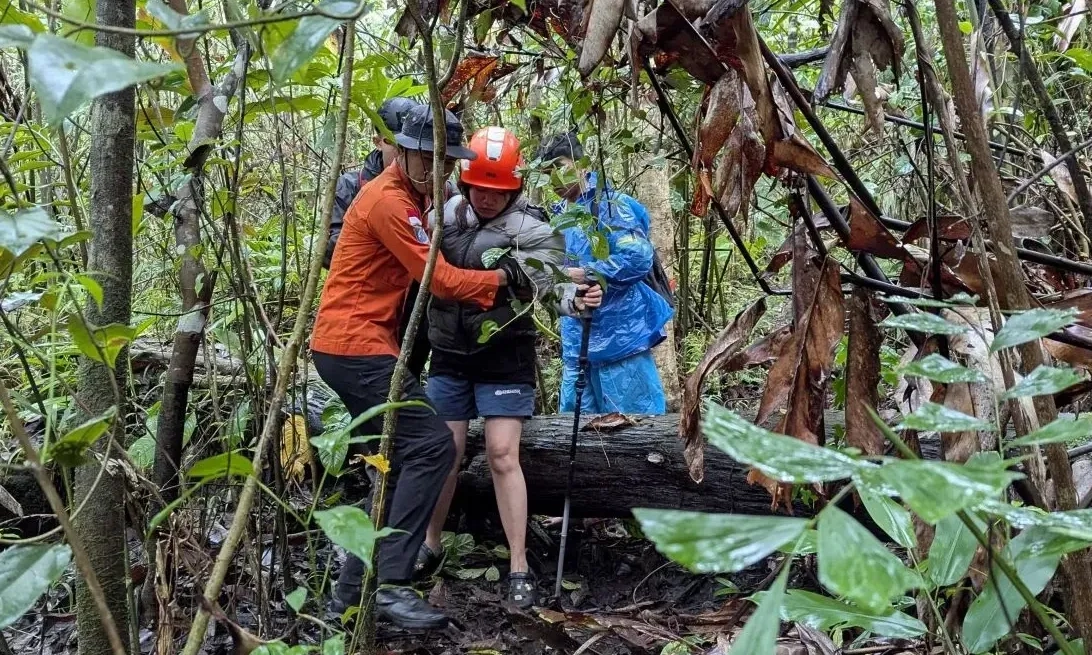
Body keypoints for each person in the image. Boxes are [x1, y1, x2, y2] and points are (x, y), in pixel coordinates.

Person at [312, 105, 533, 629]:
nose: (437, 171)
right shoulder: (389, 202)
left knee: (397, 461)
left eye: (444, 161)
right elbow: (438, 279)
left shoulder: (417, 197)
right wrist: (504, 281)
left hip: (364, 345)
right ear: (403, 152)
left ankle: (347, 597)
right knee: (433, 448)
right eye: (427, 158)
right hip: (353, 346)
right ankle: (389, 583)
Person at [416, 127, 603, 608]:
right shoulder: (443, 217)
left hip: (505, 358)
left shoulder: (536, 231)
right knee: (444, 451)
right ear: (464, 181)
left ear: (515, 188)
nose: (487, 197)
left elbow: (552, 286)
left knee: (502, 454)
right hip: (449, 356)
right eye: (479, 187)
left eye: (498, 191)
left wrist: (578, 299)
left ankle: (518, 563)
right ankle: (430, 546)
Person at [538, 132, 674, 415]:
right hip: (577, 344)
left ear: (581, 163)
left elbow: (637, 257)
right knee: (576, 431)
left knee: (634, 429)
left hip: (621, 341)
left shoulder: (612, 206)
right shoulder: (558, 217)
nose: (555, 180)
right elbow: (551, 276)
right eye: (546, 173)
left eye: (559, 167)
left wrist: (587, 272)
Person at [324, 96, 433, 378]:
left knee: (406, 379)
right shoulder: (350, 186)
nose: (403, 153)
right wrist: (389, 240)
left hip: (416, 305)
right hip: (368, 308)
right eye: (395, 145)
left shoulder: (431, 184)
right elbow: (330, 249)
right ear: (379, 141)